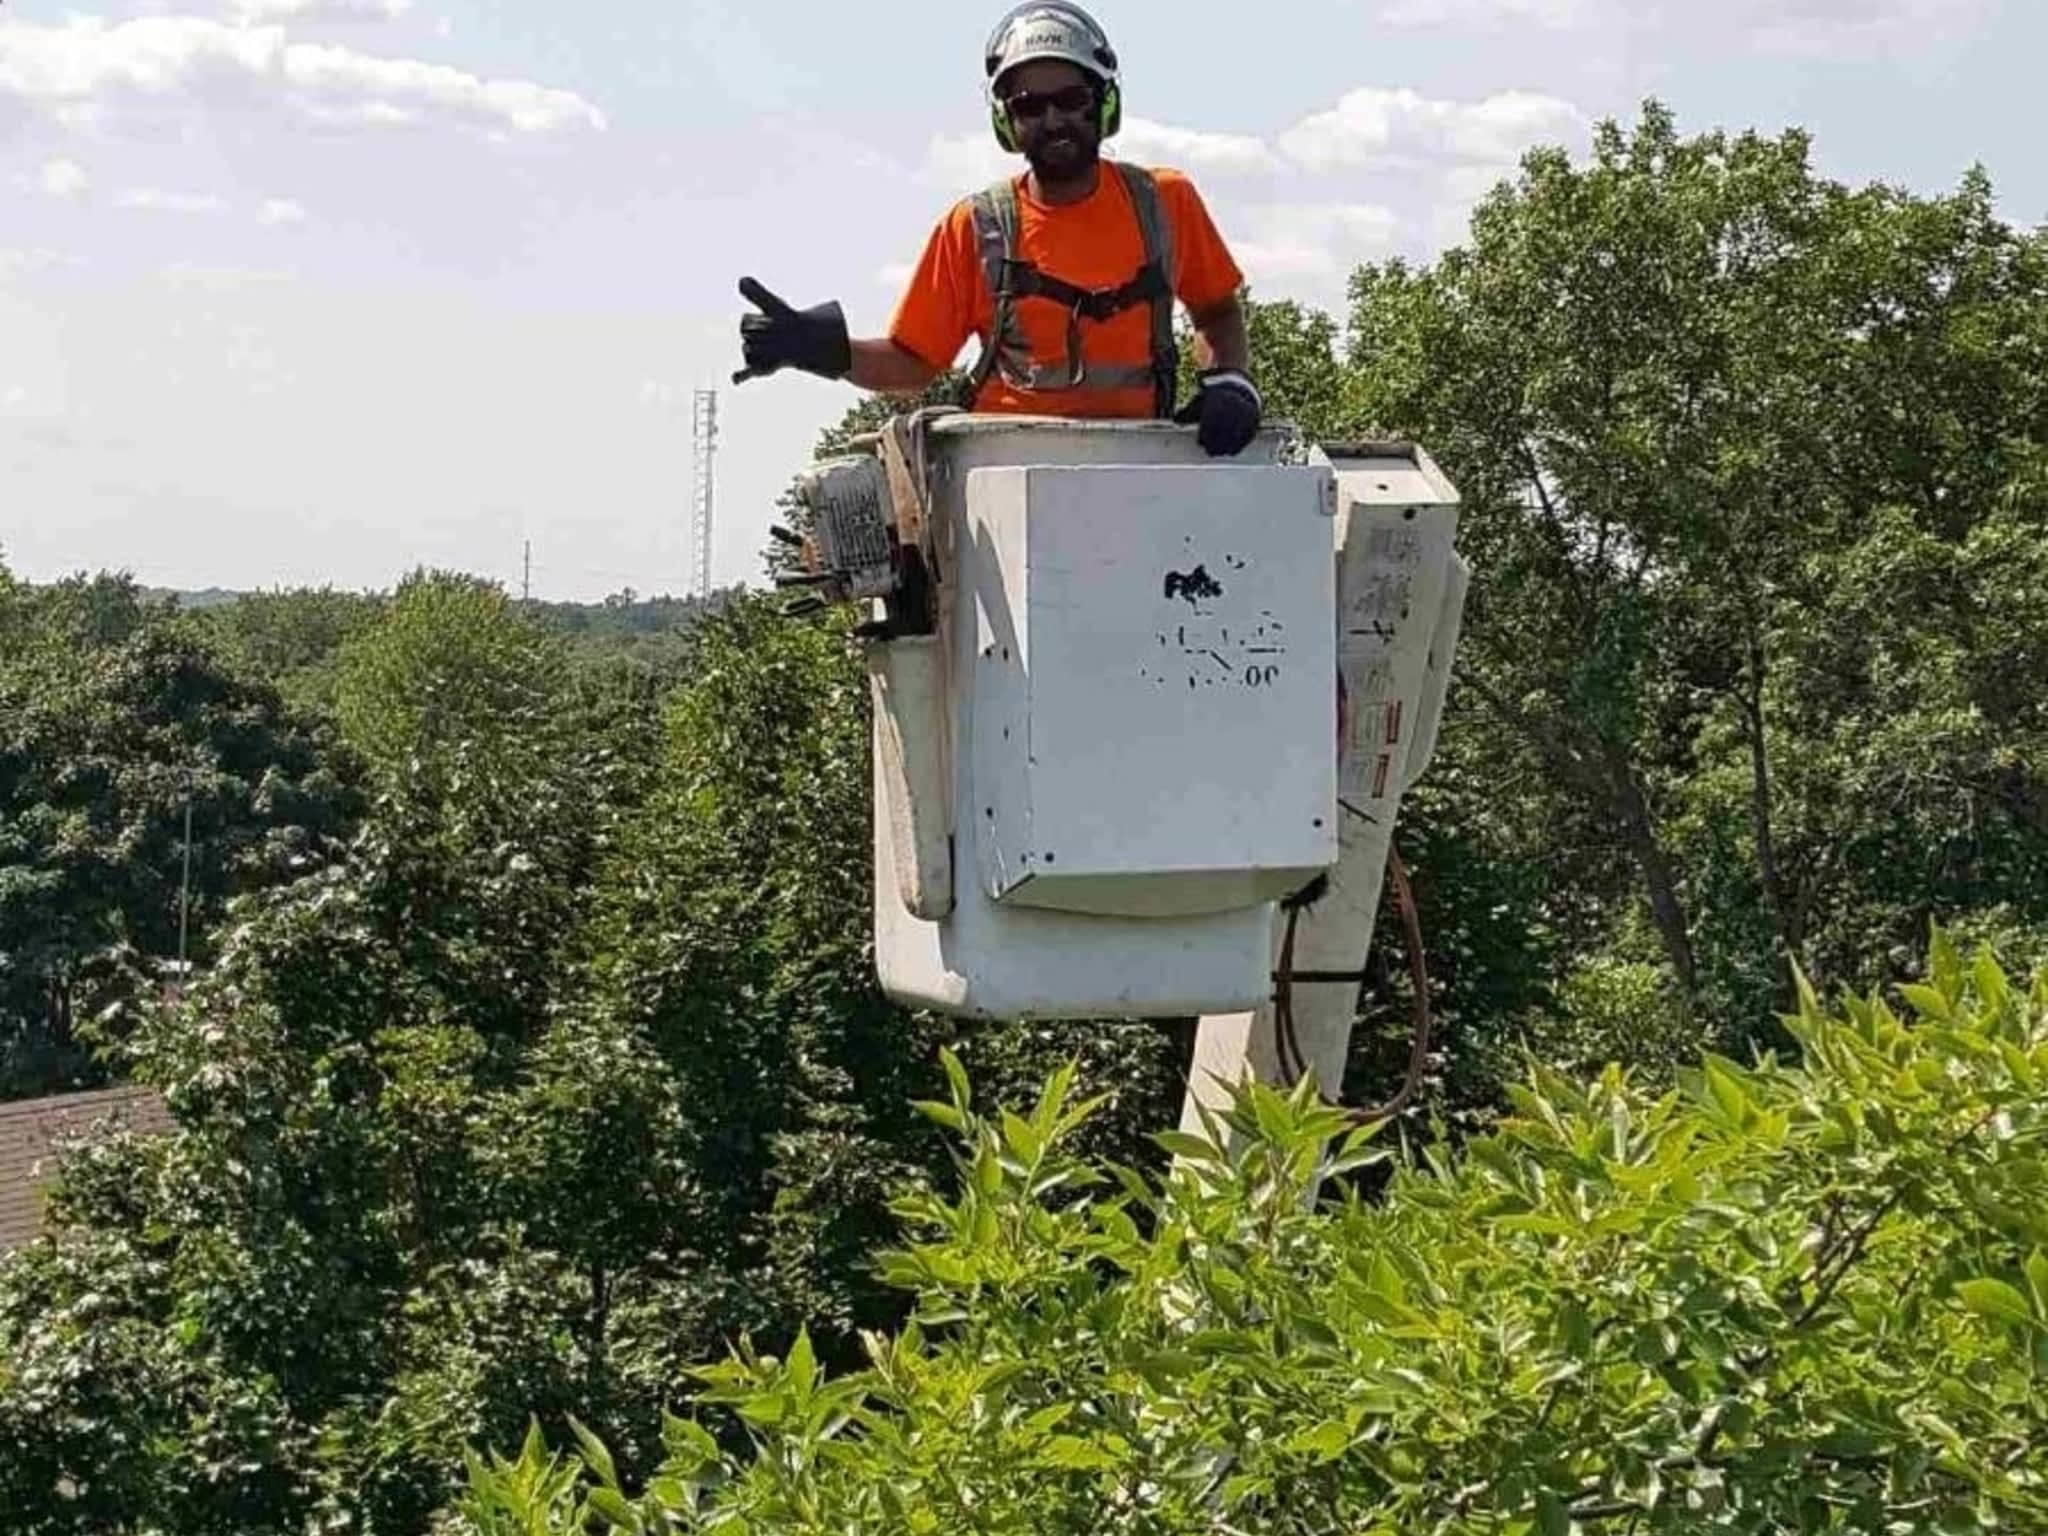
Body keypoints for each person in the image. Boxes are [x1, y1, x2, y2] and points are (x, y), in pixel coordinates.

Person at [734, 2, 1263, 456]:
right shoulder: (976, 228)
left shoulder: (1163, 203)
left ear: (1104, 103)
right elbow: (913, 363)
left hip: (1139, 463)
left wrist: (1230, 381)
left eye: (1071, 99)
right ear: (1006, 121)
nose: (1053, 120)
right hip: (1002, 467)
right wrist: (823, 350)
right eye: (1029, 106)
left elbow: (1216, 310)